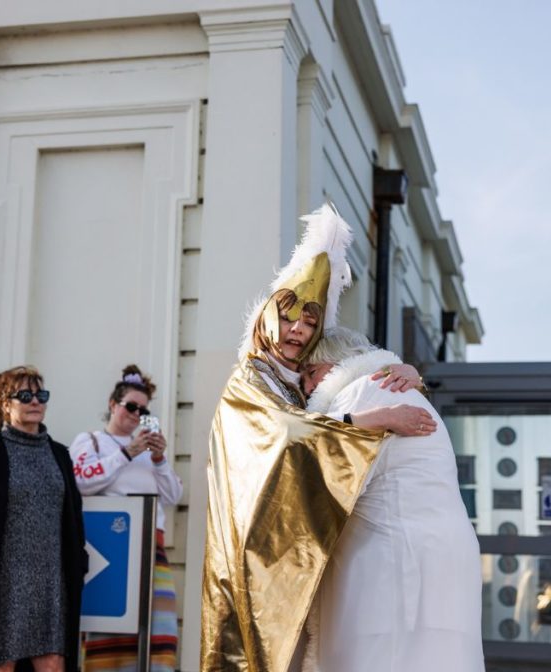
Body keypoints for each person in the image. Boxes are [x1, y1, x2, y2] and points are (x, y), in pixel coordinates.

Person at [201, 205, 432, 672]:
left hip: (296, 544)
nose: (297, 332)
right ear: (268, 319)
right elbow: (288, 435)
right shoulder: (250, 378)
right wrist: (377, 417)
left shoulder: (296, 377)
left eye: (308, 325)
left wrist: (407, 371)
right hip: (253, 548)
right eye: (289, 321)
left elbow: (357, 362)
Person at [302, 327, 484, 671]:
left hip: (394, 559)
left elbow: (324, 477)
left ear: (339, 364)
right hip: (444, 552)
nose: (309, 388)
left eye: (312, 373)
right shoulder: (400, 388)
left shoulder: (360, 392)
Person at [0, 365, 85, 672]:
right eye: (25, 395)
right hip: (5, 581)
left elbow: (73, 516)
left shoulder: (59, 454)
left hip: (51, 581)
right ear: (6, 404)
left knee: (53, 663)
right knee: (1, 664)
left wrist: (78, 563)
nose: (35, 402)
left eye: (41, 395)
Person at [70, 364, 184, 672]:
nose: (135, 415)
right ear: (112, 405)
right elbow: (80, 480)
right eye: (130, 406)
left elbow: (174, 496)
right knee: (108, 634)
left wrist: (158, 459)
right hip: (109, 547)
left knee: (156, 635)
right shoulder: (91, 441)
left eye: (143, 411)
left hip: (150, 549)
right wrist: (126, 453)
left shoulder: (148, 453)